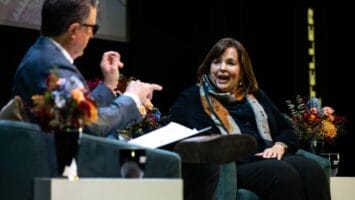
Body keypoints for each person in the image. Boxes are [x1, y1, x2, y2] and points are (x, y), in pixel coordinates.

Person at [168, 37, 331, 200]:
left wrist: (280, 146)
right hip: (236, 164)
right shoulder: (192, 98)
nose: (222, 68)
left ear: (242, 70)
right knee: (282, 174)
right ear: (209, 66)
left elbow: (286, 129)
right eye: (216, 62)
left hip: (270, 157)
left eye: (230, 63)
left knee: (311, 169)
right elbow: (181, 133)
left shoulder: (256, 96)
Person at [12, 0, 162, 137]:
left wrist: (109, 84)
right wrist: (132, 98)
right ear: (74, 30)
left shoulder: (43, 55)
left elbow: (77, 113)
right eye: (92, 28)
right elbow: (91, 126)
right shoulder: (52, 66)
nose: (91, 35)